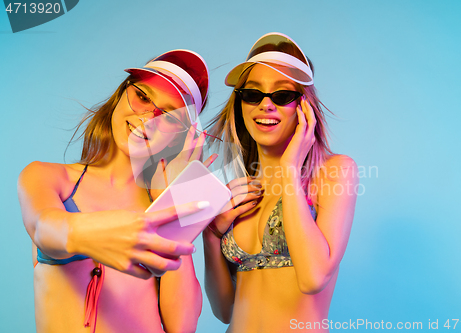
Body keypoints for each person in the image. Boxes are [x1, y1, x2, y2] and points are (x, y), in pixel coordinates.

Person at [17, 50, 212, 333]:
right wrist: (92, 237)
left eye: (169, 115)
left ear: (182, 137)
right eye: (143, 96)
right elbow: (43, 228)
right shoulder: (47, 176)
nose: (148, 117)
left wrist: (171, 201)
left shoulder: (164, 206)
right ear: (122, 93)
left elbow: (181, 326)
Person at [203, 33, 359, 332]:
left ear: (303, 106)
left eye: (282, 95)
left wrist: (288, 170)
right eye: (252, 94)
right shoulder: (240, 189)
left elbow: (314, 278)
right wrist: (211, 236)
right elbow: (223, 310)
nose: (265, 104)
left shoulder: (333, 172)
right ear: (241, 104)